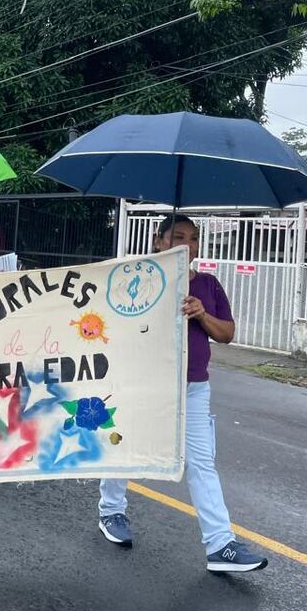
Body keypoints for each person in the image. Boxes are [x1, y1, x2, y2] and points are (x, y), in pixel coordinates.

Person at [96, 216, 267, 573]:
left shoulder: (207, 285)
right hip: (145, 383)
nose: (187, 244)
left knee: (202, 463)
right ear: (158, 242)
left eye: (194, 238)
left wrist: (201, 315)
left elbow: (226, 334)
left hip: (194, 388)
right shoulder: (136, 280)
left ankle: (220, 545)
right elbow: (115, 327)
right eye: (178, 237)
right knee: (124, 446)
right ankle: (111, 512)